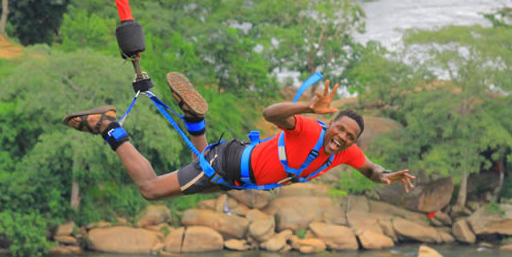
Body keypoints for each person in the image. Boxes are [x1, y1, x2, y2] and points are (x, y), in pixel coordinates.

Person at [63, 72, 415, 200]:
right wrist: (307, 108)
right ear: (331, 123)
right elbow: (270, 115)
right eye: (340, 128)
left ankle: (193, 118)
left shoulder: (346, 154)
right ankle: (110, 127)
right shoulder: (308, 128)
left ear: (354, 142)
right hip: (231, 163)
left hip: (237, 175)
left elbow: (371, 170)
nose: (341, 137)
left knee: (198, 166)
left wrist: (386, 175)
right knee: (151, 189)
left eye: (349, 136)